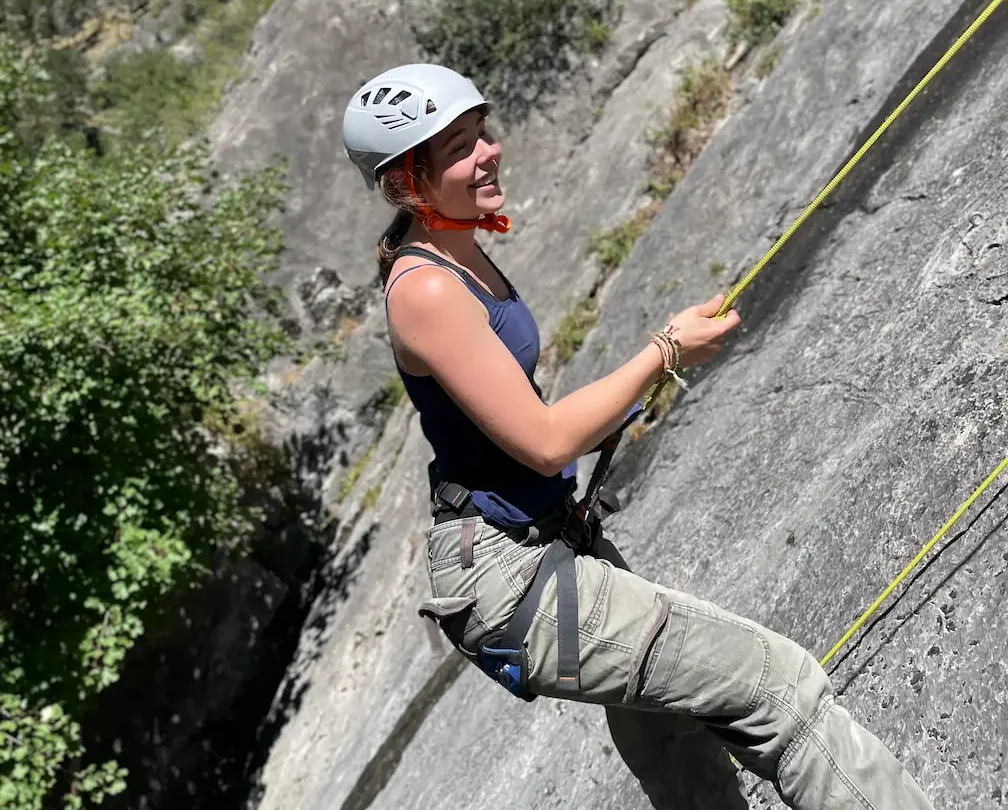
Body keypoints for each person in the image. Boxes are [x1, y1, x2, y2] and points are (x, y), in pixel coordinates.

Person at [342, 62, 936, 810]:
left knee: (672, 736)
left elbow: (519, 428)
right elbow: (548, 441)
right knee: (774, 685)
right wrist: (664, 351)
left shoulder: (459, 252)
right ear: (408, 182)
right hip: (511, 576)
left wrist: (651, 374)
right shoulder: (427, 287)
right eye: (458, 147)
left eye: (482, 133)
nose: (488, 152)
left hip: (546, 544)